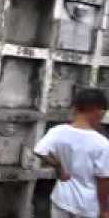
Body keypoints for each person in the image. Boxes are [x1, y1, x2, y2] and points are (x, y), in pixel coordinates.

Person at [34, 88, 109, 218]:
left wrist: (58, 166)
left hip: (61, 200)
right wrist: (104, 210)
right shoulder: (102, 144)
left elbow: (39, 150)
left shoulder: (58, 131)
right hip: (87, 206)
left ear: (76, 108)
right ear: (99, 112)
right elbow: (104, 180)